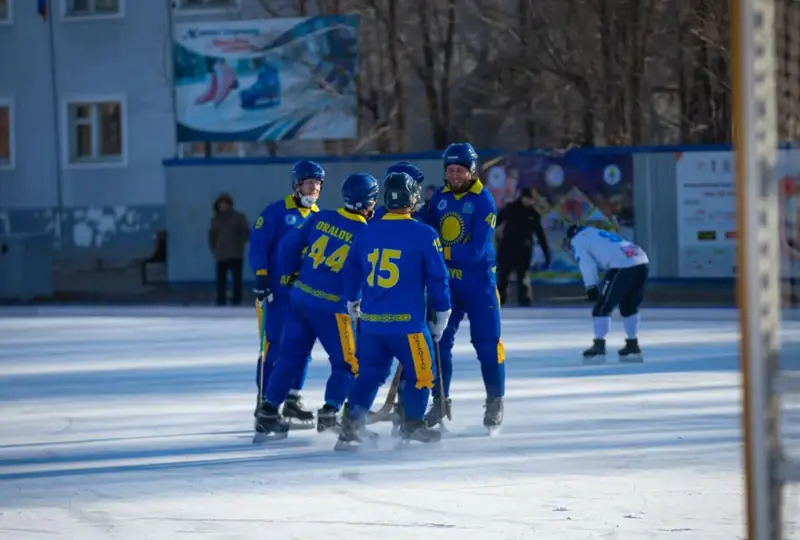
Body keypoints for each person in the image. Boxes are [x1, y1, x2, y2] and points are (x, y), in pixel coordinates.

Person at [253, 173, 379, 439]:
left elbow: (288, 245)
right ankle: (330, 412)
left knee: (288, 358)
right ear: (369, 202)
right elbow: (364, 274)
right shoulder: (366, 233)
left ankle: (267, 413)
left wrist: (288, 274)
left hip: (301, 298)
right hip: (333, 308)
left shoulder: (321, 217)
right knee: (347, 364)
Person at [336, 172, 451, 450]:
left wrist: (352, 300)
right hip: (407, 325)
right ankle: (411, 424)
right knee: (423, 373)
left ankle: (351, 425)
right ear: (412, 199)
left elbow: (351, 269)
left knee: (369, 374)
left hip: (372, 324)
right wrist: (442, 313)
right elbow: (438, 278)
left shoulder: (366, 230)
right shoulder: (424, 233)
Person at [423, 142, 505, 432]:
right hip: (448, 287)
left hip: (479, 286)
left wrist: (437, 252)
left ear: (471, 171)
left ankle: (495, 400)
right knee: (439, 343)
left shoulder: (483, 201)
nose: (454, 176)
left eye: (459, 171)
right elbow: (425, 230)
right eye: (450, 170)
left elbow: (475, 251)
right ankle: (440, 400)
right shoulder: (440, 198)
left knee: (487, 345)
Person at [248, 160, 323, 429]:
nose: (313, 188)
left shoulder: (319, 217)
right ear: (296, 185)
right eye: (308, 182)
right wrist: (261, 275)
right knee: (275, 347)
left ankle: (293, 398)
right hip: (275, 295)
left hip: (304, 296)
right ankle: (265, 403)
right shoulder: (276, 212)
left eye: (317, 183)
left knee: (301, 348)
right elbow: (258, 246)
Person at [564, 224, 650, 362]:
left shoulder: (577, 241)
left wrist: (591, 286)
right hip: (641, 260)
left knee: (602, 307)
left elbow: (586, 264)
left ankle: (599, 345)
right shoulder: (596, 232)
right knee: (629, 306)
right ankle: (632, 344)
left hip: (622, 265)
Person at [496, 188, 551, 306]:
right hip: (507, 248)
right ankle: (499, 299)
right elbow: (496, 221)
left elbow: (540, 235)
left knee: (523, 277)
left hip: (524, 250)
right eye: (528, 199)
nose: (530, 202)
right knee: (503, 276)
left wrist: (546, 254)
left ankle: (525, 300)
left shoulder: (534, 214)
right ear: (522, 198)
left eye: (532, 200)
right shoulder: (511, 208)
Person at [208, 193, 250, 305]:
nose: (223, 206)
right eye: (221, 204)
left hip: (235, 253)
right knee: (221, 280)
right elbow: (212, 235)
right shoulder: (216, 219)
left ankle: (236, 299)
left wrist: (241, 243)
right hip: (221, 253)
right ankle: (221, 299)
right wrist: (214, 248)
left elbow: (245, 232)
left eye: (225, 204)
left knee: (236, 279)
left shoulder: (238, 217)